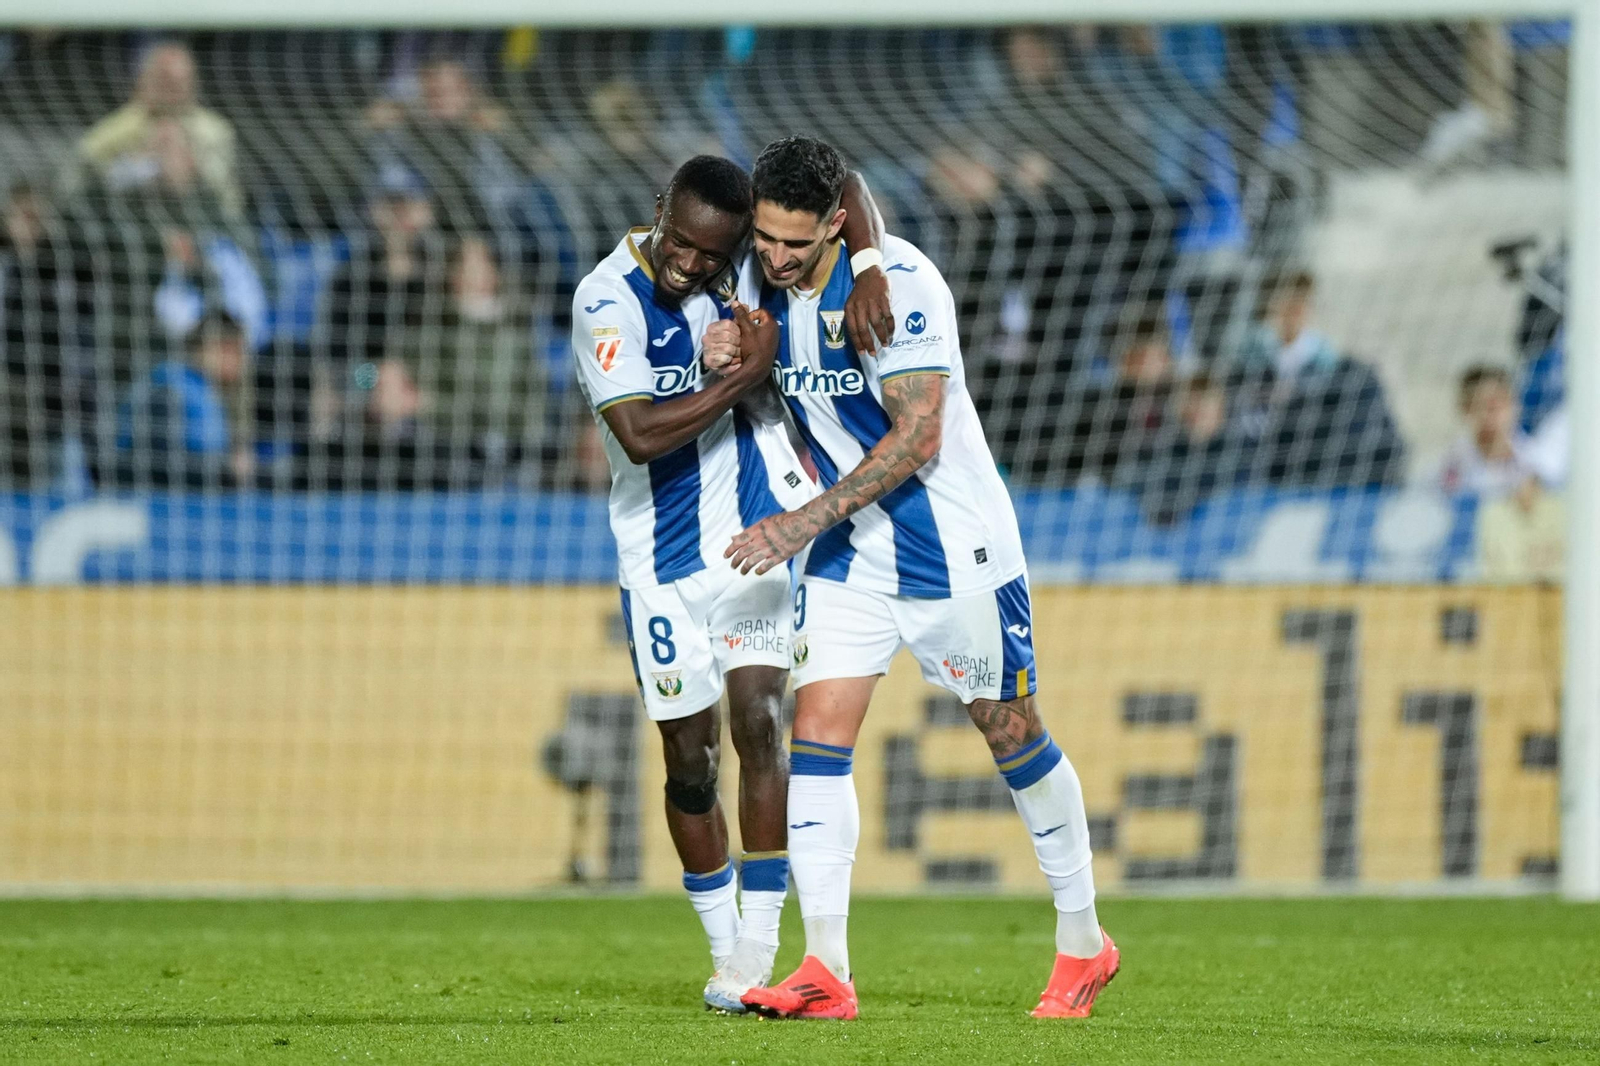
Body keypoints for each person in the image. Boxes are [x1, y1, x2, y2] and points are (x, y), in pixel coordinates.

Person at [721, 137, 1116, 1022]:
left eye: (796, 243)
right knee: (815, 733)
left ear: (834, 225)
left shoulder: (902, 283)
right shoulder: (760, 275)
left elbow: (918, 438)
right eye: (766, 239)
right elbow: (844, 181)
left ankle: (1085, 942)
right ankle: (825, 965)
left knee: (1012, 734)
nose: (777, 259)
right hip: (848, 557)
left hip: (953, 551)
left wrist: (797, 522)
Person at [569, 153, 892, 1013]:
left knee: (760, 721)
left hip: (752, 535)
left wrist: (867, 265)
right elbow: (639, 435)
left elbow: (844, 183)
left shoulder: (747, 256)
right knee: (688, 762)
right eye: (681, 244)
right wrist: (743, 377)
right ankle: (722, 945)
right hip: (658, 563)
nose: (693, 264)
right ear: (659, 216)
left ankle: (755, 946)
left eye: (714, 257)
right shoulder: (605, 300)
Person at [63, 41, 243, 221]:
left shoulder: (215, 131)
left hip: (203, 220)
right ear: (144, 80)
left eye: (180, 82)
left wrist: (188, 165)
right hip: (128, 219)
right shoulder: (117, 129)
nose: (173, 90)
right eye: (165, 80)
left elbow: (226, 195)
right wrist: (146, 163)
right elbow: (76, 179)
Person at [112, 310, 252, 489]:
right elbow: (157, 461)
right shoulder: (169, 389)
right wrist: (225, 470)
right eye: (235, 350)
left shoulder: (205, 392)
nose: (241, 361)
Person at [1438, 364, 1537, 500]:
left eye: (1498, 402)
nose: (1491, 412)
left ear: (1514, 404)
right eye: (1481, 404)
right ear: (1465, 409)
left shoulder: (1535, 459)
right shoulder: (1452, 465)